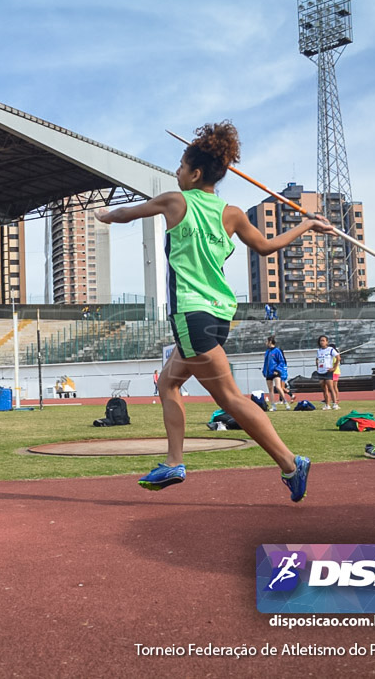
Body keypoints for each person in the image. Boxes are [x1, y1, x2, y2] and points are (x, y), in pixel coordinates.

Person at [95, 121, 334, 501]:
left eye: (180, 166)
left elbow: (129, 213)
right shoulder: (233, 213)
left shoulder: (176, 201)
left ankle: (291, 463)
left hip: (192, 316)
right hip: (219, 315)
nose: (176, 172)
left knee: (231, 400)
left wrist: (104, 216)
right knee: (167, 383)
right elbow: (268, 247)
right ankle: (174, 460)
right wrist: (306, 224)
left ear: (195, 172)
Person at [262, 336, 295, 411]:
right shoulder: (267, 351)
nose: (265, 343)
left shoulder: (277, 351)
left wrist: (277, 369)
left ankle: (285, 402)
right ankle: (273, 406)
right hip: (268, 372)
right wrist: (264, 371)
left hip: (276, 372)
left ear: (270, 341)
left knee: (278, 387)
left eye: (266, 341)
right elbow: (265, 363)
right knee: (270, 389)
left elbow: (281, 361)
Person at [315, 335, 339, 410]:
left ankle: (335, 404)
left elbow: (338, 358)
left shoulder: (330, 349)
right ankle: (327, 404)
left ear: (326, 342)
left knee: (331, 387)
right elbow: (317, 360)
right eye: (320, 341)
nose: (322, 342)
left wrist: (334, 368)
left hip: (328, 371)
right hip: (321, 371)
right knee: (324, 388)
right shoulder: (319, 351)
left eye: (323, 340)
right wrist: (317, 367)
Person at [329, 342, 342, 409]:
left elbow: (334, 363)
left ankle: (336, 399)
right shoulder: (335, 355)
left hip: (334, 372)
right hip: (336, 372)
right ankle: (335, 398)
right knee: (334, 387)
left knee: (334, 387)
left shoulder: (334, 355)